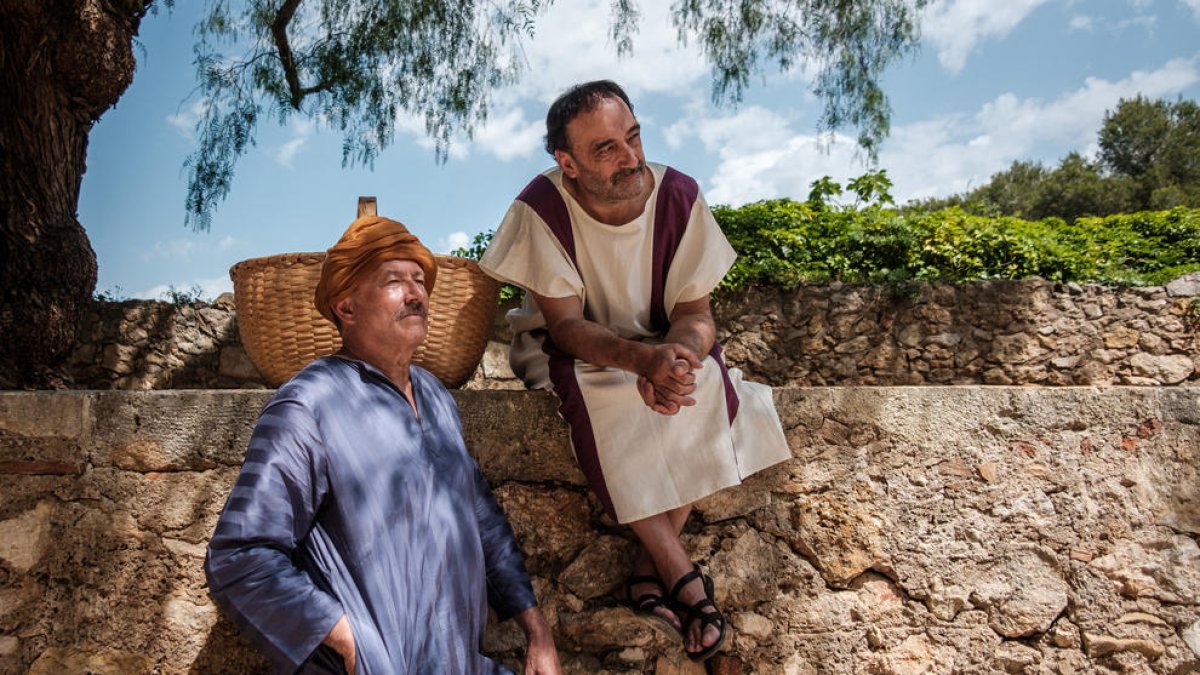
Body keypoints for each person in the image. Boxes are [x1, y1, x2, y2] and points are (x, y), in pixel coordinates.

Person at [479, 80, 791, 663]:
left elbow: (696, 314)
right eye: (606, 149)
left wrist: (676, 360)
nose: (630, 158)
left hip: (659, 345)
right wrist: (642, 361)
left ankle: (649, 571)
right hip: (568, 353)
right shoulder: (540, 208)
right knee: (611, 396)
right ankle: (683, 574)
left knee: (706, 389)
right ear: (566, 162)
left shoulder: (679, 196)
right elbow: (567, 329)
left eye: (634, 137)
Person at [205, 216, 561, 675]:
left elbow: (482, 519)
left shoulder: (435, 397)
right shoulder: (310, 403)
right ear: (346, 308)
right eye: (394, 281)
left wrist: (537, 631)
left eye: (419, 280)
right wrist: (346, 640)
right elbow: (240, 555)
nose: (416, 294)